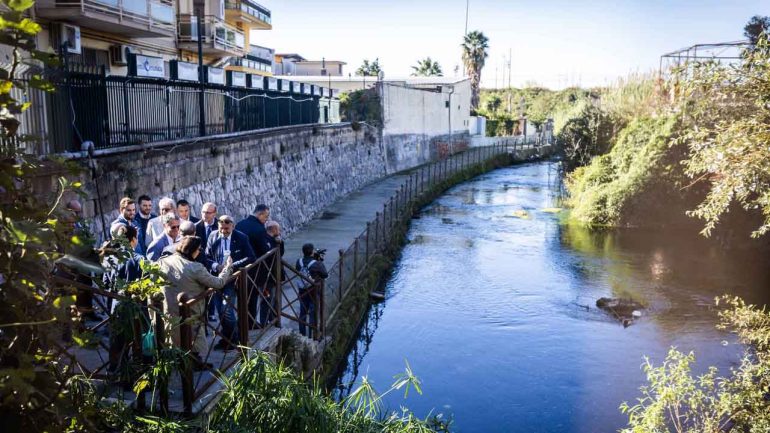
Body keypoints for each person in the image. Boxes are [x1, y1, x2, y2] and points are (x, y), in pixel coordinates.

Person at [157, 236, 233, 369]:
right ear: (193, 251)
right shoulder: (195, 267)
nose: (200, 252)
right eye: (199, 249)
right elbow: (218, 283)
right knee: (193, 338)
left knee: (176, 338)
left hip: (168, 310)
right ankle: (191, 367)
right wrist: (228, 268)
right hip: (191, 311)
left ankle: (182, 362)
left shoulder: (164, 262)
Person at [206, 215, 255, 350]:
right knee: (220, 312)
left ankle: (234, 339)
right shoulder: (213, 236)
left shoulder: (241, 237)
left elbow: (251, 257)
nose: (224, 231)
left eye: (227, 229)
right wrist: (217, 266)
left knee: (226, 310)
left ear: (232, 226)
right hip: (216, 278)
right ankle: (227, 339)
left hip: (231, 279)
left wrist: (231, 266)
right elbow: (207, 256)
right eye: (221, 228)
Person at [253, 221, 285, 328]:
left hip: (273, 275)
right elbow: (271, 255)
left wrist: (280, 243)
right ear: (274, 229)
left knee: (272, 300)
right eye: (278, 229)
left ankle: (272, 321)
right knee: (267, 300)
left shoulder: (273, 239)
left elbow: (280, 253)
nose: (279, 232)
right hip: (266, 277)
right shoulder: (265, 239)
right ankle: (265, 323)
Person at [296, 243, 328, 339]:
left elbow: (298, 269)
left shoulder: (299, 261)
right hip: (313, 291)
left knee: (303, 312)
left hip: (302, 290)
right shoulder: (317, 264)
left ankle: (302, 334)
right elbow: (325, 274)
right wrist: (319, 261)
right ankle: (312, 335)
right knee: (313, 313)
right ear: (312, 252)